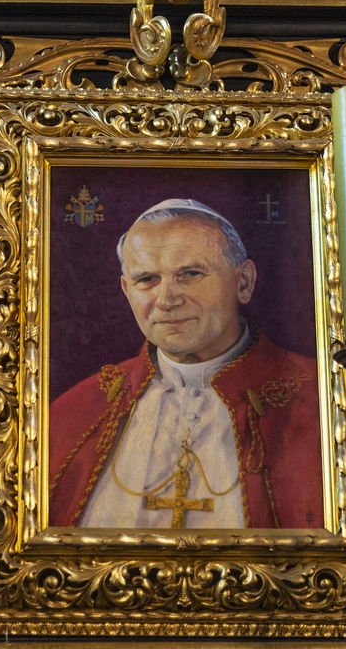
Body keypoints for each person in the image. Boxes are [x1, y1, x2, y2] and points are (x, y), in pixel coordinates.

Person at [49, 199, 324, 530]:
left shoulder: (320, 397)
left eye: (190, 274)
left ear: (244, 282)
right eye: (147, 279)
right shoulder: (78, 411)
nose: (166, 300)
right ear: (126, 290)